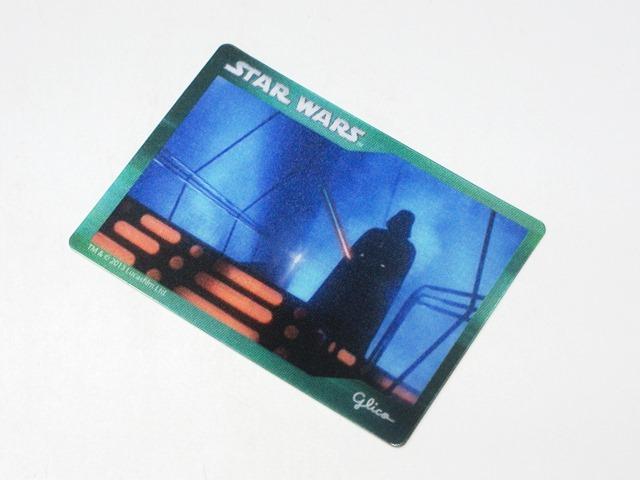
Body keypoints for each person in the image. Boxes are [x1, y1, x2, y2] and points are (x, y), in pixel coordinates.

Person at [309, 210, 416, 358]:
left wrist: (371, 267)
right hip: (347, 290)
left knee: (345, 337)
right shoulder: (376, 235)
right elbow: (350, 257)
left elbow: (395, 277)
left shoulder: (406, 249)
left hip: (367, 301)